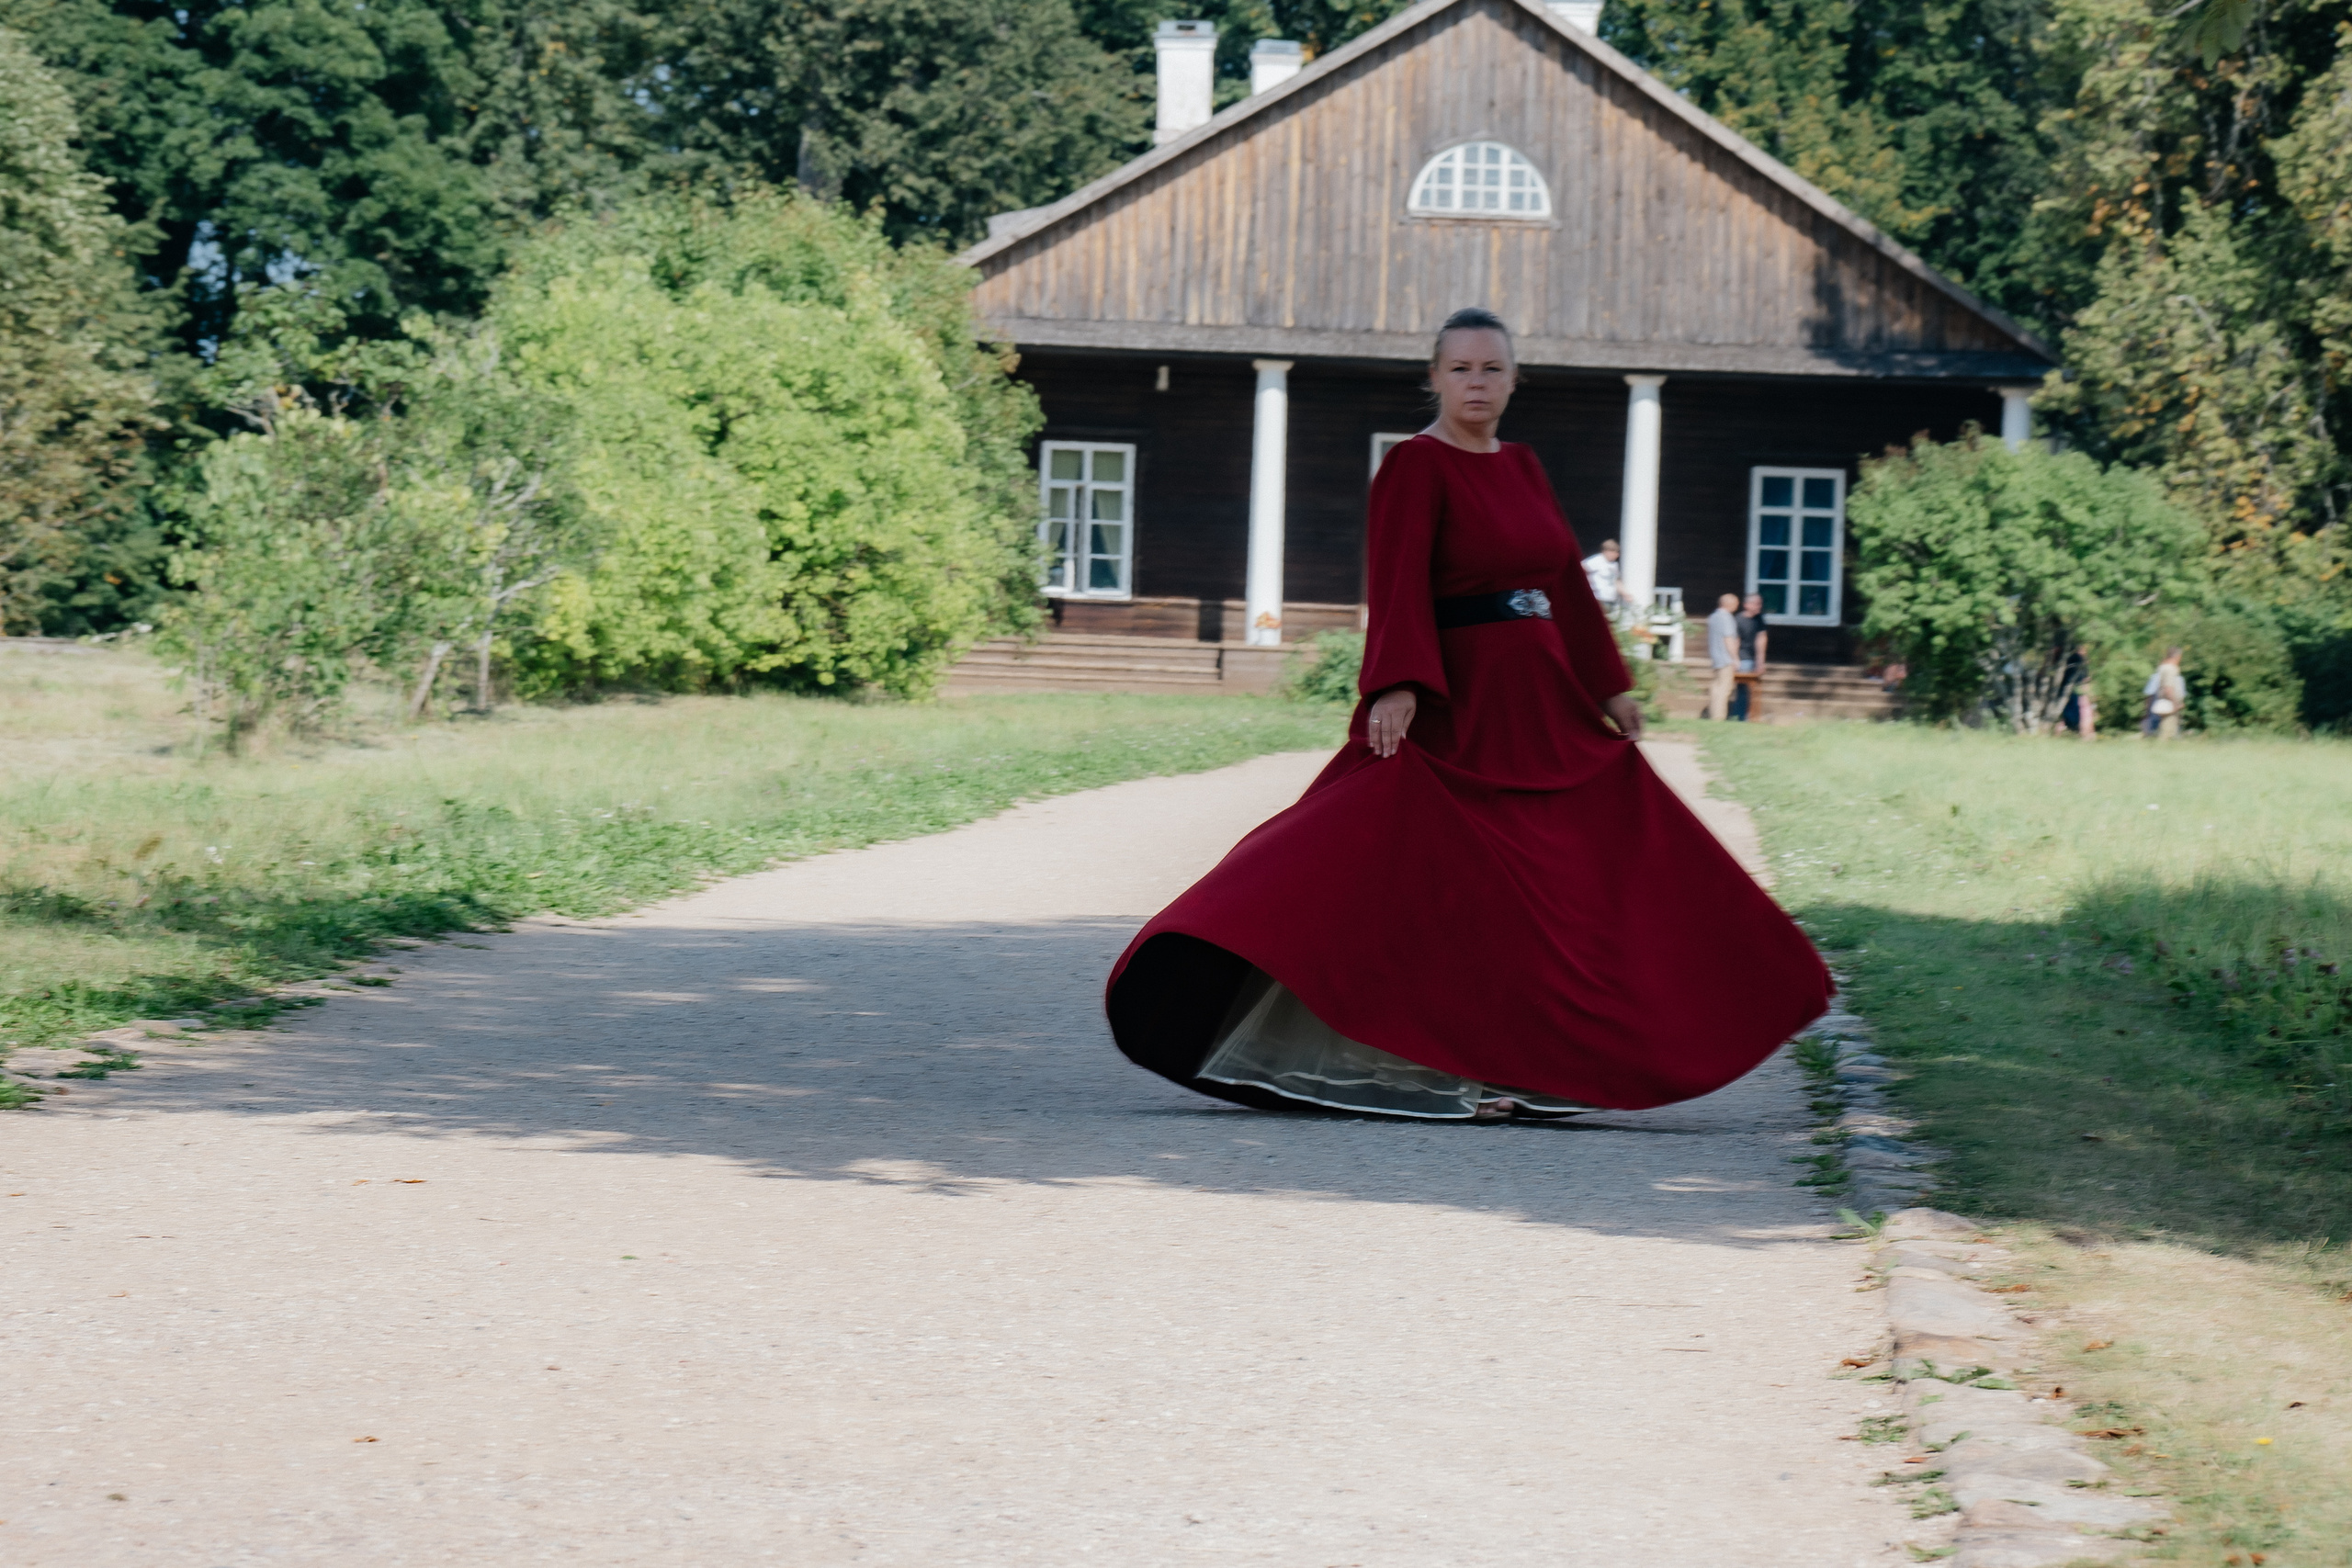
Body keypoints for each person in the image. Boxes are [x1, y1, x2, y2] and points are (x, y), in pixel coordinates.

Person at [1102, 308, 1832, 1122]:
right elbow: (1399, 577)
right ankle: (1423, 1063)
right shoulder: (1415, 466)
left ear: (1516, 380)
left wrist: (1608, 684)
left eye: (1492, 369)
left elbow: (1561, 582)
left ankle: (1581, 1052)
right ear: (1434, 378)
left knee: (1588, 861)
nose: (1476, 383)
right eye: (1460, 369)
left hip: (1541, 697)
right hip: (1462, 699)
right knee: (1433, 873)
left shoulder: (1523, 466)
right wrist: (1400, 682)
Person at [1729, 592, 1770, 721]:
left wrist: (1760, 661)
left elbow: (1761, 640)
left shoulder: (1759, 619)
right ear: (1747, 605)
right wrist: (1735, 660)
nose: (1759, 606)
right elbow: (1736, 641)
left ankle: (1751, 715)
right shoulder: (1739, 619)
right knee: (1742, 688)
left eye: (1760, 604)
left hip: (1753, 658)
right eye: (1756, 603)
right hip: (1742, 658)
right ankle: (1740, 716)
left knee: (1753, 689)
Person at [1704, 592, 1740, 721]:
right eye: (1736, 603)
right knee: (1724, 689)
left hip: (1715, 657)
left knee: (1716, 687)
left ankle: (1713, 714)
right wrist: (1735, 658)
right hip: (1725, 658)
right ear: (1729, 604)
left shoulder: (1713, 617)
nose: (1737, 606)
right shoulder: (1726, 618)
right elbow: (1728, 639)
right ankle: (1718, 716)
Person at [1582, 538, 1634, 621]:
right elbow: (1580, 570)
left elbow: (1616, 581)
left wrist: (1626, 594)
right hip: (1597, 599)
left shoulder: (1613, 565)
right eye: (1615, 552)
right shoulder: (1596, 561)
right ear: (1607, 551)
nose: (1617, 555)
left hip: (1610, 600)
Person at [2143, 647, 2187, 739]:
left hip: (2167, 704)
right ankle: (2158, 751)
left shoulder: (2164, 669)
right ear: (2177, 656)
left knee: (2169, 732)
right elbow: (2168, 689)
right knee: (2167, 733)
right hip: (2170, 705)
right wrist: (2176, 704)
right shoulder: (2170, 669)